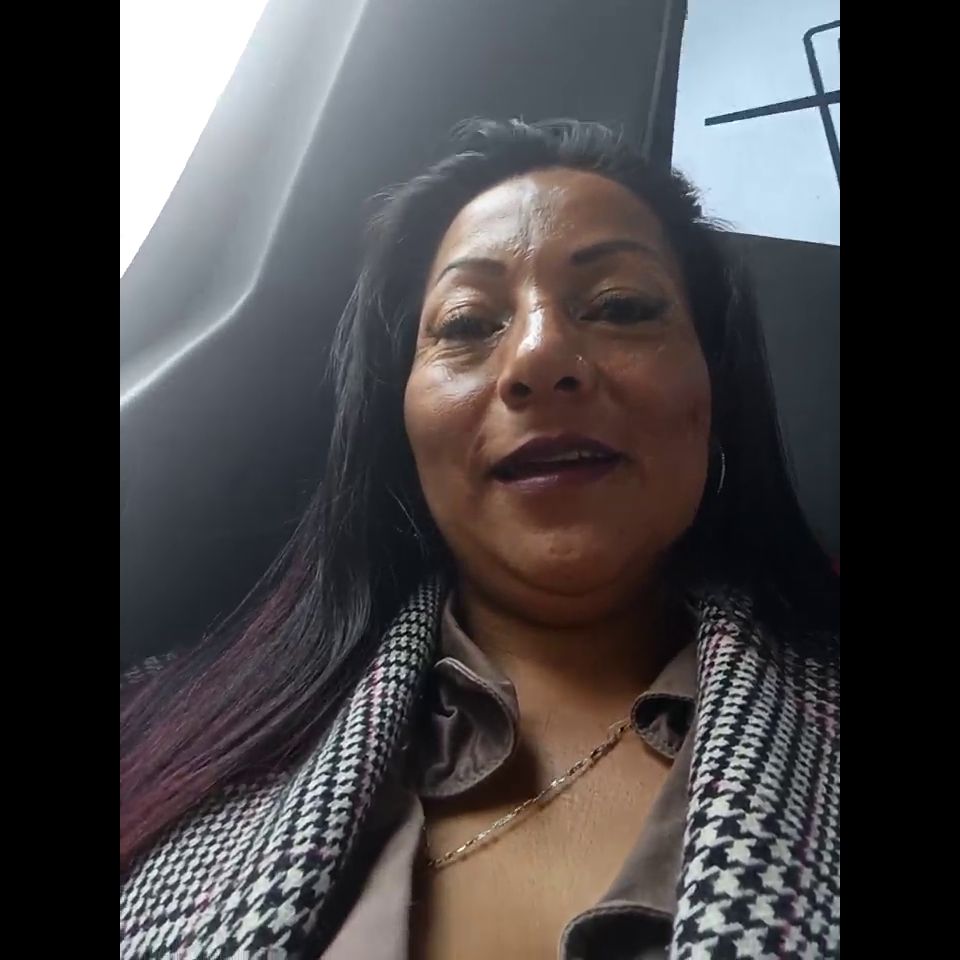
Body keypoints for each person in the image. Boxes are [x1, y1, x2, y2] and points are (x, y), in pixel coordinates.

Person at [120, 119, 840, 959]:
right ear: (401, 419)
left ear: (714, 385)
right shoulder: (152, 731)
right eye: (465, 324)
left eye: (620, 306)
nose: (538, 357)